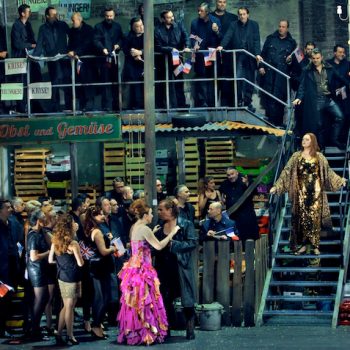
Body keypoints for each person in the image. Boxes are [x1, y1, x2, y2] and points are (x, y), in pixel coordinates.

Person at [270, 133, 346, 255]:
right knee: (302, 219)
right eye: (303, 139)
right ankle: (304, 245)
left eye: (307, 139)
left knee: (314, 219)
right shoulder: (296, 156)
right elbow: (287, 172)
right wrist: (277, 186)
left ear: (312, 142)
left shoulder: (319, 157)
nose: (304, 141)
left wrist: (340, 181)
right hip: (301, 192)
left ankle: (315, 245)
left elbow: (328, 172)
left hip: (316, 193)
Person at [117, 199, 178, 345]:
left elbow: (139, 243)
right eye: (150, 213)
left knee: (135, 302)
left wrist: (154, 232)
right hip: (143, 271)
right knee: (146, 301)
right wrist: (172, 234)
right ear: (145, 215)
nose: (152, 216)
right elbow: (158, 246)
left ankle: (134, 331)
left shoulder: (135, 227)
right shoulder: (145, 228)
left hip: (133, 269)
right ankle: (146, 333)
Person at [154, 199, 197, 340]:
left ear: (170, 210)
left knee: (187, 299)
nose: (158, 212)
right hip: (163, 267)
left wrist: (174, 245)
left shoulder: (185, 224)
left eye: (161, 209)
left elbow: (192, 243)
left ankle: (190, 328)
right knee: (164, 298)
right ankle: (166, 328)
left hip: (180, 266)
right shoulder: (160, 225)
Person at [293, 48, 346, 150]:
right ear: (311, 59)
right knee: (318, 125)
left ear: (321, 57)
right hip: (315, 100)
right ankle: (320, 147)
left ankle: (334, 139)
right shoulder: (307, 70)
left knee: (340, 117)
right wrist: (299, 97)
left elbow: (340, 78)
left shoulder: (329, 68)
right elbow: (302, 86)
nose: (316, 60)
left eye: (318, 58)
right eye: (314, 58)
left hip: (328, 99)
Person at [217, 6, 262, 111]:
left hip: (250, 56)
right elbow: (228, 36)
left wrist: (257, 54)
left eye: (244, 14)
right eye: (240, 14)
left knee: (250, 80)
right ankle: (239, 101)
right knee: (238, 79)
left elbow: (256, 40)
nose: (242, 16)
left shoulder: (254, 25)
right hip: (238, 57)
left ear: (248, 14)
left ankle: (247, 102)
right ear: (238, 15)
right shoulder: (234, 25)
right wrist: (222, 45)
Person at [83, 206, 118, 339]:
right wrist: (113, 248)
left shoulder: (92, 230)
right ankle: (96, 325)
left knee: (101, 297)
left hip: (98, 267)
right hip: (101, 268)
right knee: (103, 298)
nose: (103, 217)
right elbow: (103, 251)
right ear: (93, 217)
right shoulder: (97, 232)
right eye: (99, 215)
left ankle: (97, 325)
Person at [49, 214, 83, 345]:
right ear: (69, 226)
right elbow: (80, 263)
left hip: (61, 276)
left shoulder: (55, 241)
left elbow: (50, 259)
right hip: (73, 276)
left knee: (67, 306)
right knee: (70, 306)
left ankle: (58, 332)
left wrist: (61, 263)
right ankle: (70, 335)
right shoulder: (73, 243)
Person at [259, 20, 297, 126]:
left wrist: (291, 61)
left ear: (287, 28)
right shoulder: (270, 39)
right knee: (268, 98)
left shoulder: (291, 42)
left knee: (280, 100)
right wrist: (261, 66)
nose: (281, 29)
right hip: (269, 73)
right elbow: (263, 54)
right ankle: (270, 123)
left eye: (283, 27)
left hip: (282, 75)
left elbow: (294, 63)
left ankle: (279, 124)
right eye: (280, 26)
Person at [34, 6, 71, 112]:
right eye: (53, 15)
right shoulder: (43, 28)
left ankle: (69, 107)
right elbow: (39, 44)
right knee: (54, 83)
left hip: (64, 59)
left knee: (66, 82)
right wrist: (34, 57)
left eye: (56, 14)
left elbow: (72, 36)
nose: (56, 16)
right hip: (52, 60)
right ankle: (55, 108)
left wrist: (72, 50)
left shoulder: (62, 25)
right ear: (47, 16)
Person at [154, 9, 191, 108]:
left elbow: (185, 36)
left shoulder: (179, 25)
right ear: (163, 19)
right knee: (162, 82)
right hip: (162, 60)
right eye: (169, 17)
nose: (172, 18)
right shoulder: (157, 30)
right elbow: (157, 46)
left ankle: (181, 104)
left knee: (179, 80)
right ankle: (161, 106)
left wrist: (187, 46)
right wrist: (171, 49)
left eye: (172, 16)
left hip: (177, 59)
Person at [11, 4, 41, 113]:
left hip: (30, 59)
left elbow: (32, 39)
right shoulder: (16, 26)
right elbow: (17, 43)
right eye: (28, 11)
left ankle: (34, 106)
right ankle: (21, 109)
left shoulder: (28, 24)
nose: (30, 13)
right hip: (20, 59)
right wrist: (30, 45)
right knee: (22, 84)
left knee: (34, 80)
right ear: (23, 13)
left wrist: (37, 46)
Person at [190, 2, 222, 107]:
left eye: (201, 11)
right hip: (200, 56)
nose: (199, 13)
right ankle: (202, 103)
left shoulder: (215, 21)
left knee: (212, 78)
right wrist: (196, 44)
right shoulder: (195, 23)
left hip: (212, 55)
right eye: (198, 10)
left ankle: (212, 103)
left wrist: (216, 31)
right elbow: (193, 36)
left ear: (207, 12)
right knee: (201, 79)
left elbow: (221, 38)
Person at [26, 209, 50, 341]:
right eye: (44, 218)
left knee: (43, 298)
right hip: (36, 270)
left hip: (40, 269)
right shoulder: (33, 235)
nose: (46, 219)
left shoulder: (40, 233)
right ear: (39, 221)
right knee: (40, 299)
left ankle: (35, 327)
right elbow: (34, 257)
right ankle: (34, 329)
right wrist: (48, 253)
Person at [93, 7, 123, 111]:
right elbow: (96, 40)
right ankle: (106, 106)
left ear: (114, 16)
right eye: (107, 16)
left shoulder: (117, 27)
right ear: (104, 16)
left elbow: (121, 39)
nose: (109, 18)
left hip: (115, 59)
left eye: (111, 16)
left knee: (115, 83)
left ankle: (116, 106)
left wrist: (118, 45)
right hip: (103, 60)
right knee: (105, 83)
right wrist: (102, 49)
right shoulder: (98, 27)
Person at [219, 167, 259, 242]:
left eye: (232, 174)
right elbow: (221, 194)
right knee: (233, 237)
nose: (230, 177)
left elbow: (256, 191)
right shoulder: (225, 183)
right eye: (228, 175)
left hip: (246, 215)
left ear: (237, 173)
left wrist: (247, 184)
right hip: (232, 216)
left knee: (247, 237)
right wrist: (222, 199)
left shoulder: (245, 180)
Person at [210, 0, 238, 106]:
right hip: (212, 53)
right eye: (220, 1)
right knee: (212, 79)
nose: (222, 4)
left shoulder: (233, 18)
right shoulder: (209, 17)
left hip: (228, 54)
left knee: (228, 81)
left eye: (224, 2)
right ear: (216, 3)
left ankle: (227, 106)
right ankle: (212, 107)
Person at [68, 12, 96, 111]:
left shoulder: (88, 30)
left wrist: (75, 52)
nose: (72, 22)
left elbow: (87, 44)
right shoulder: (71, 31)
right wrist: (71, 52)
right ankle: (82, 104)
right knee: (79, 82)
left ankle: (89, 105)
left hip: (88, 61)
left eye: (73, 20)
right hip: (76, 61)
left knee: (88, 82)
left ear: (80, 20)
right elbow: (70, 44)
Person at [326, 44, 350, 144]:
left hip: (345, 96)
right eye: (340, 52)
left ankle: (342, 141)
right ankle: (331, 141)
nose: (342, 54)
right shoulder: (328, 64)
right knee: (331, 117)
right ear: (334, 53)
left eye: (343, 52)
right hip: (331, 96)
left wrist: (344, 88)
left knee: (346, 116)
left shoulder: (347, 64)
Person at [122, 16, 144, 110]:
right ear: (133, 27)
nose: (141, 27)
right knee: (133, 87)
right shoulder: (128, 36)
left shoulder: (148, 35)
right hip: (132, 66)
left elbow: (154, 47)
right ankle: (134, 106)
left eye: (142, 25)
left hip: (145, 64)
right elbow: (125, 49)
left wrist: (141, 52)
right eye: (138, 26)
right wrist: (133, 53)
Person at [0, 24, 8, 115]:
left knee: (2, 84)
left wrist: (5, 53)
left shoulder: (1, 28)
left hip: (2, 62)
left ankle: (2, 107)